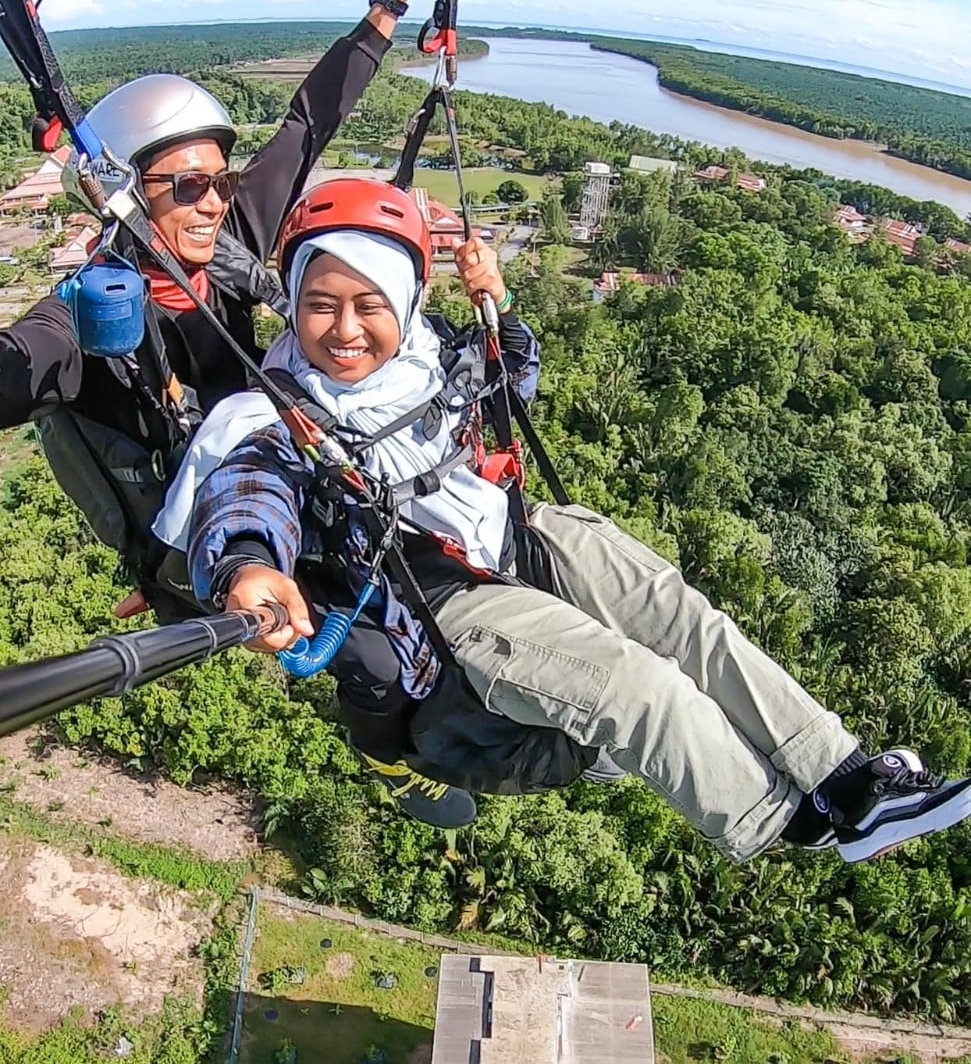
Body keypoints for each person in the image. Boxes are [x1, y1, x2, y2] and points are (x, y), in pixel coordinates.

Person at [161, 178, 971, 865]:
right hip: (437, 598)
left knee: (686, 621)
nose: (343, 331)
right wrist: (248, 565)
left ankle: (847, 780)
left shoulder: (431, 350)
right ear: (293, 305)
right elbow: (251, 493)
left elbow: (511, 378)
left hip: (523, 531)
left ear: (406, 302)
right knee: (637, 686)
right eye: (320, 305)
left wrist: (497, 305)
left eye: (368, 304)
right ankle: (786, 821)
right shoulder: (274, 413)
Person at [0, 0, 481, 829]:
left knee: (449, 560)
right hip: (204, 541)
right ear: (127, 197)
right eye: (186, 187)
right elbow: (16, 368)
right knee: (379, 654)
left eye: (221, 180)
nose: (215, 200)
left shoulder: (229, 239)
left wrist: (391, 1)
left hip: (284, 473)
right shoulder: (85, 320)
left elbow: (308, 123)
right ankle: (389, 760)